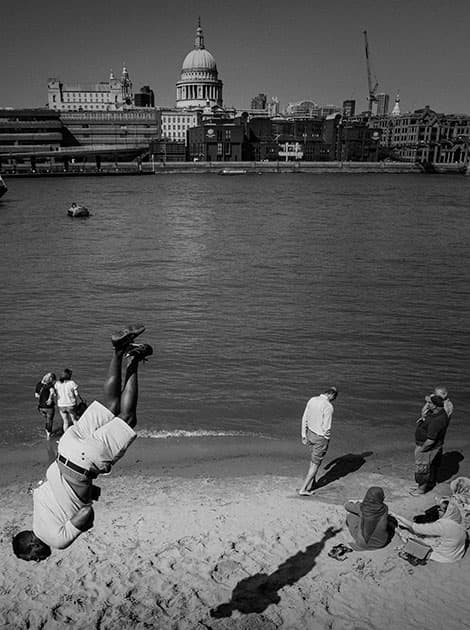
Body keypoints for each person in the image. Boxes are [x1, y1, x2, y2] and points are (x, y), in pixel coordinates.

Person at [12, 324, 152, 561]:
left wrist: (87, 520)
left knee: (128, 419)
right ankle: (119, 350)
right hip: (66, 447)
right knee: (111, 407)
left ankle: (134, 360)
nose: (38, 559)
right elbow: (60, 490)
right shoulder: (37, 509)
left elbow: (86, 512)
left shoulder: (57, 541)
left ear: (32, 545)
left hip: (83, 462)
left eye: (32, 557)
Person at [393, 497, 467, 563]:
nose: (438, 510)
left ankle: (415, 557)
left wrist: (397, 516)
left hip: (446, 556)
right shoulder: (457, 520)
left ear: (446, 512)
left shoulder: (443, 525)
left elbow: (416, 527)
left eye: (440, 510)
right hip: (457, 552)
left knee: (406, 536)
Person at [299, 387, 338, 496]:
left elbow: (304, 417)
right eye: (333, 398)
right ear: (332, 395)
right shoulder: (328, 406)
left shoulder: (312, 400)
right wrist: (327, 439)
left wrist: (303, 434)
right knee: (316, 463)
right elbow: (327, 427)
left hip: (310, 433)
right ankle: (303, 489)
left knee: (313, 459)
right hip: (320, 437)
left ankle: (313, 481)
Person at [410, 394, 449, 496]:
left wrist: (421, 449)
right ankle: (422, 485)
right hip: (426, 444)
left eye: (430, 403)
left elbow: (431, 440)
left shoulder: (438, 420)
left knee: (422, 468)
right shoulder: (436, 412)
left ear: (435, 405)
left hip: (427, 446)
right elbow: (425, 412)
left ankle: (421, 489)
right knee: (425, 467)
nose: (427, 404)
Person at [344, 486, 393, 550]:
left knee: (351, 516)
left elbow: (346, 506)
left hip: (362, 544)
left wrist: (355, 502)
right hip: (381, 543)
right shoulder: (385, 508)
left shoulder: (362, 507)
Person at [54, 368, 80, 432]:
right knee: (74, 420)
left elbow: (55, 393)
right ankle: (78, 433)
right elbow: (76, 394)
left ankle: (65, 436)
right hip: (71, 404)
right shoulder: (72, 383)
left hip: (61, 405)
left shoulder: (57, 383)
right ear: (69, 375)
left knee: (65, 421)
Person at [35, 373, 57, 439]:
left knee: (47, 420)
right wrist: (50, 398)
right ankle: (48, 436)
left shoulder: (39, 384)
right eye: (53, 380)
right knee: (49, 421)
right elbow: (53, 392)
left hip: (41, 407)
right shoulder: (50, 385)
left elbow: (36, 395)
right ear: (51, 379)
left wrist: (42, 396)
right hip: (48, 407)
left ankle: (47, 431)